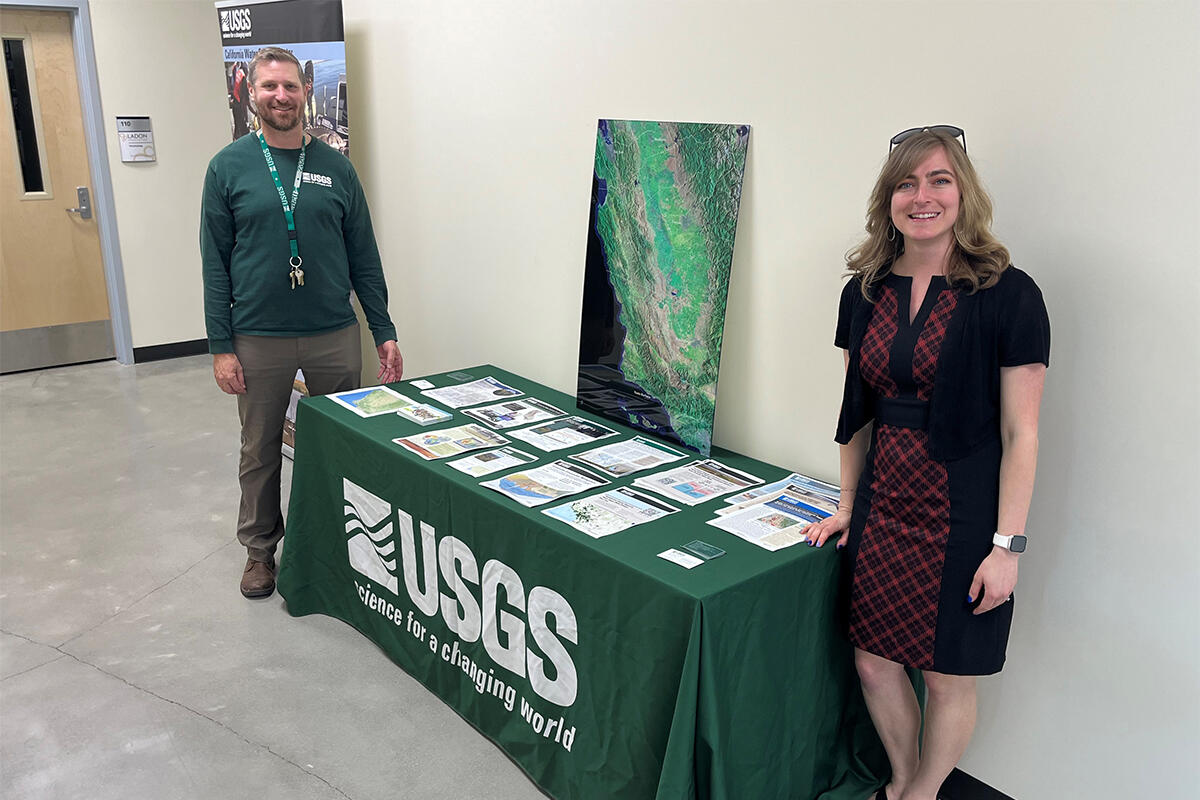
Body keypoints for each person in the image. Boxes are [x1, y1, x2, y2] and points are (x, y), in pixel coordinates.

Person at [805, 126, 1049, 800]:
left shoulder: (1010, 295)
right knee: (876, 663)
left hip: (965, 513)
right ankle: (905, 780)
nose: (923, 196)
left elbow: (1021, 432)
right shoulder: (865, 290)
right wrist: (849, 505)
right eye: (907, 183)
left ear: (963, 191)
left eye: (939, 179)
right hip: (886, 502)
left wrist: (1008, 546)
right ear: (888, 199)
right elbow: (855, 411)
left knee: (946, 675)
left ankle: (923, 792)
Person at [201, 46, 403, 599]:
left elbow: (364, 255)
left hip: (333, 333)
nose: (281, 96)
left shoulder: (336, 166)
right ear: (252, 94)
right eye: (269, 87)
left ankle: (340, 546)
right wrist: (221, 345)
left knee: (339, 445)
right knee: (260, 449)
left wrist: (382, 329)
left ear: (304, 91)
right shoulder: (228, 167)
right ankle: (260, 553)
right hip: (258, 336)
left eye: (290, 86)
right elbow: (214, 263)